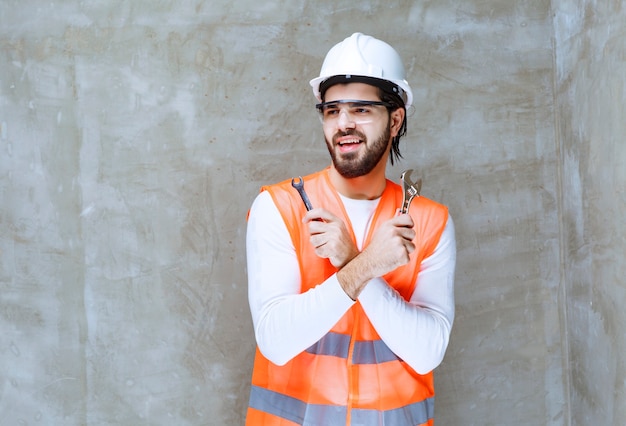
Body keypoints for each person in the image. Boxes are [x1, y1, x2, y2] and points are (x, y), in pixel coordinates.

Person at [245, 32, 456, 426]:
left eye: (360, 109)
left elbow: (428, 351)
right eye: (331, 110)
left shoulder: (430, 221)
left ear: (395, 120)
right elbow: (275, 341)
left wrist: (349, 258)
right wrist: (364, 266)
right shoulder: (279, 207)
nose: (343, 124)